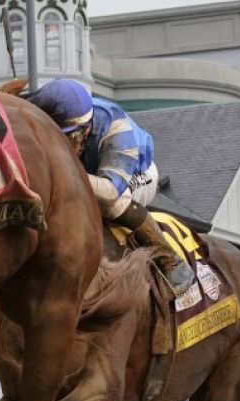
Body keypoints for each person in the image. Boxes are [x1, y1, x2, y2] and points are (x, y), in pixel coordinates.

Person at [28, 79, 193, 294]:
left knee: (111, 204)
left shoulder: (117, 129)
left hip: (136, 174)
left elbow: (110, 191)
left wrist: (62, 174)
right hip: (85, 171)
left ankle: (170, 260)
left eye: (65, 137)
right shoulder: (46, 110)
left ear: (85, 130)